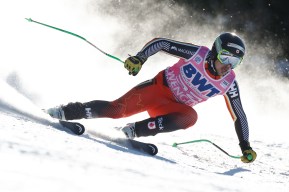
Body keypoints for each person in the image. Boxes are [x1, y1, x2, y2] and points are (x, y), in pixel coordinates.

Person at [47, 32, 257, 163]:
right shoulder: (198, 54)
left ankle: (132, 131)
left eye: (235, 62)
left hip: (171, 109)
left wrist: (245, 145)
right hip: (156, 90)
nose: (228, 65)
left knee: (190, 117)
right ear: (214, 53)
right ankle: (66, 111)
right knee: (116, 110)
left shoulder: (228, 82)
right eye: (226, 57)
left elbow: (239, 114)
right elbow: (162, 43)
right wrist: (140, 58)